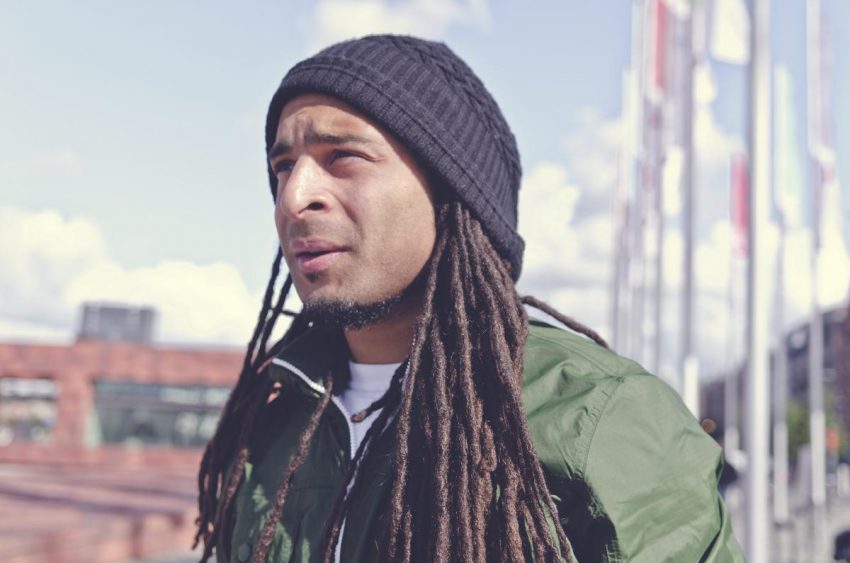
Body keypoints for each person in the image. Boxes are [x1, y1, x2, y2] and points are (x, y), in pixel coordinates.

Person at [194, 35, 743, 563]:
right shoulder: (276, 421)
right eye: (283, 167)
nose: (293, 197)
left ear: (452, 193)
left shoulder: (599, 418)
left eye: (343, 156)